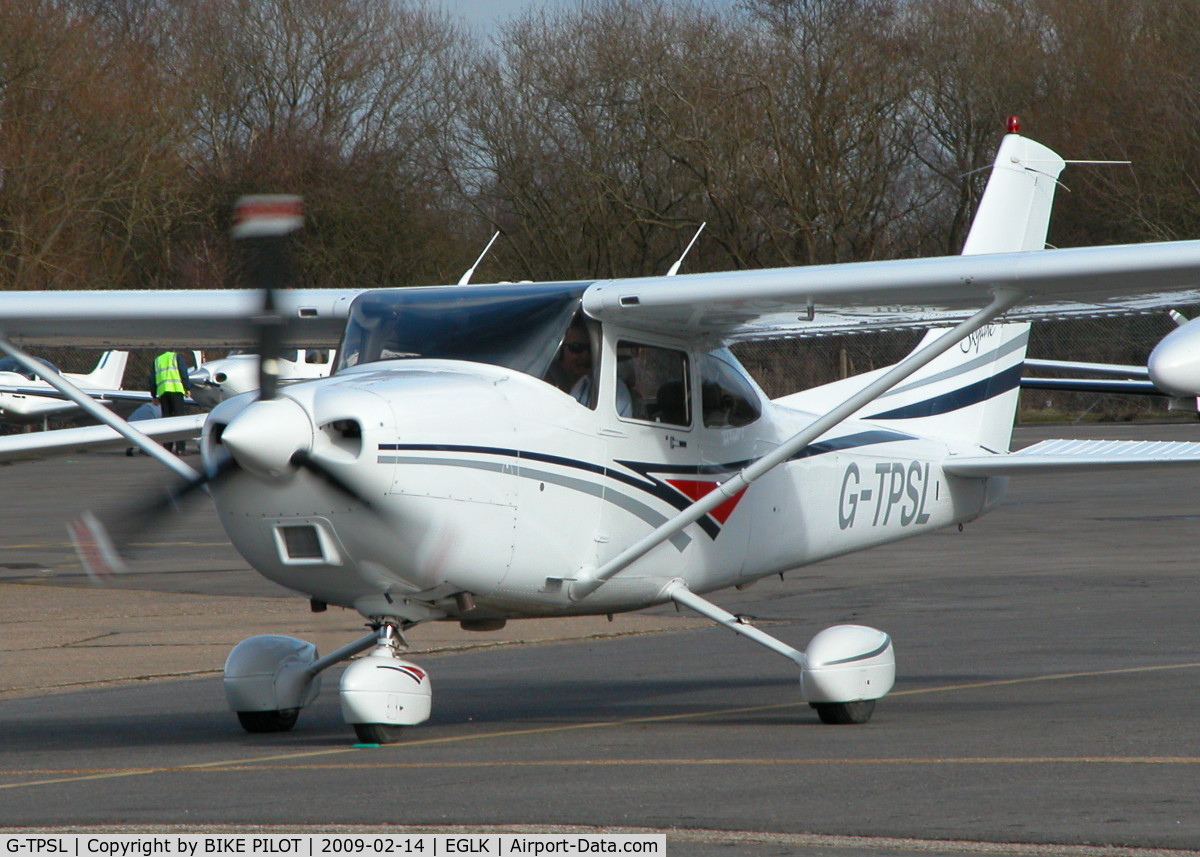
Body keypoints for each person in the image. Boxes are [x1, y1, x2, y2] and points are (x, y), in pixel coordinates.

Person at [151, 350, 191, 454]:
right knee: (179, 420)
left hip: (163, 392)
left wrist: (154, 394)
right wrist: (187, 387)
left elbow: (152, 378)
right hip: (176, 389)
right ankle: (180, 448)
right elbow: (183, 372)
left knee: (166, 420)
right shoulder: (177, 357)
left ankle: (167, 448)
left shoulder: (157, 360)